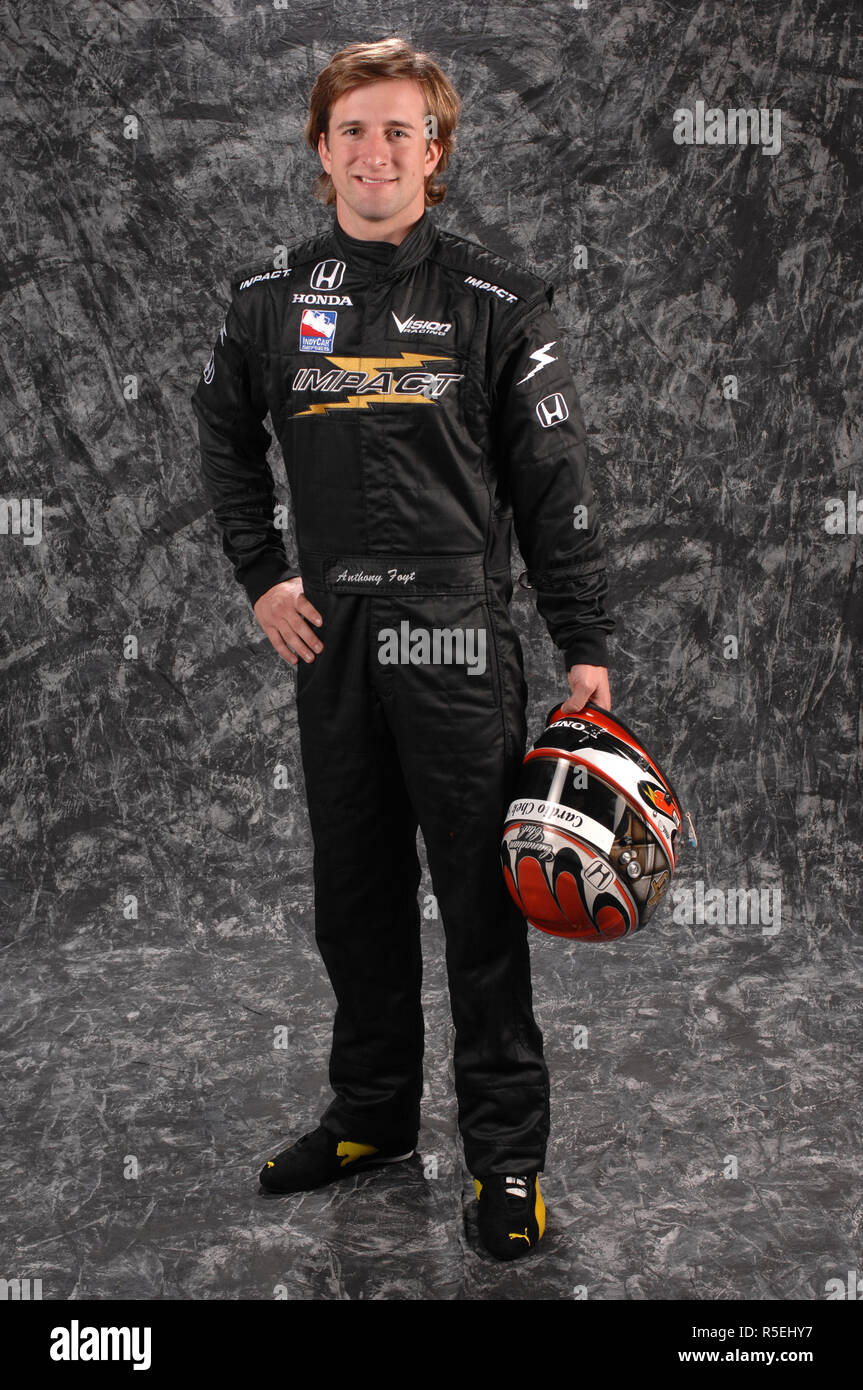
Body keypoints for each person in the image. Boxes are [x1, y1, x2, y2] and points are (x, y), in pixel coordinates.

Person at [192, 36, 614, 1262]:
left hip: (455, 638)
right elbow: (223, 444)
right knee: (354, 894)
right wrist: (263, 577)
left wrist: (582, 635)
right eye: (352, 131)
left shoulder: (497, 300)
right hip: (331, 641)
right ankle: (371, 1115)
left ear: (434, 153)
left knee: (482, 903)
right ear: (320, 150)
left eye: (399, 132)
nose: (375, 152)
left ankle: (506, 1160)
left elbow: (556, 481)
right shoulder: (266, 298)